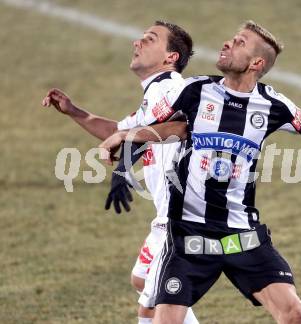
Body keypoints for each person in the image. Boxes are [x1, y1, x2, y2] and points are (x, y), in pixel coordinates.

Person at [99, 21, 301, 324]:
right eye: (231, 39)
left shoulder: (273, 105)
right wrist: (122, 169)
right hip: (189, 234)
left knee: (293, 312)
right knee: (163, 320)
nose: (228, 44)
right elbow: (155, 130)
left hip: (240, 233)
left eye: (240, 43)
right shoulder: (195, 91)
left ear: (256, 63)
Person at [41, 21, 198, 324]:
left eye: (149, 39)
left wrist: (123, 170)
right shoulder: (154, 96)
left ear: (170, 57)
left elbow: (172, 129)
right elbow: (120, 131)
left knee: (152, 308)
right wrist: (76, 111)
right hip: (167, 216)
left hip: (185, 217)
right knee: (142, 281)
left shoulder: (171, 89)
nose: (137, 43)